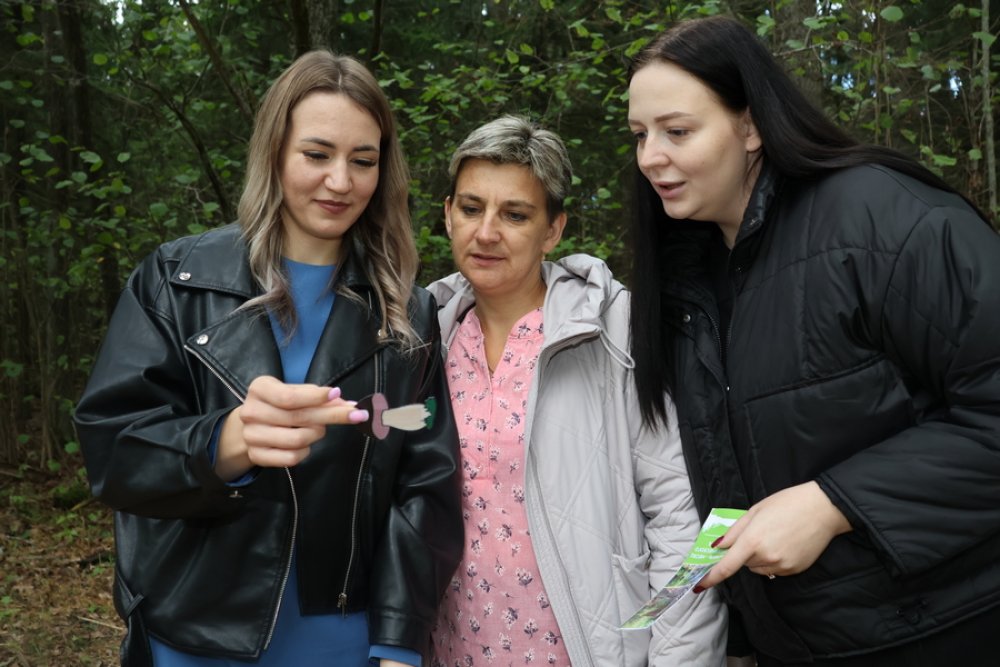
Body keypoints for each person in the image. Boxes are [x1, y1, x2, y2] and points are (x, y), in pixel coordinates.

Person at [625, 14, 1000, 667]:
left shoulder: (884, 221)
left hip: (946, 628)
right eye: (639, 135)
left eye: (677, 131)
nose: (650, 156)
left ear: (750, 126)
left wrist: (832, 504)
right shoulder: (688, 279)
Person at [73, 51, 463, 667]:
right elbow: (113, 450)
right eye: (317, 154)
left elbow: (422, 480)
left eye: (363, 161)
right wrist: (224, 443)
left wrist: (398, 640)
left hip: (342, 639)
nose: (341, 181)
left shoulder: (407, 314)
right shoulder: (177, 280)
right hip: (194, 632)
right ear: (274, 153)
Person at [425, 115, 726, 667]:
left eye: (515, 214)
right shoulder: (424, 338)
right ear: (447, 214)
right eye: (471, 208)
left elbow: (683, 520)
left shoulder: (616, 331)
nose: (486, 232)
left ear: (553, 230)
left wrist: (678, 659)